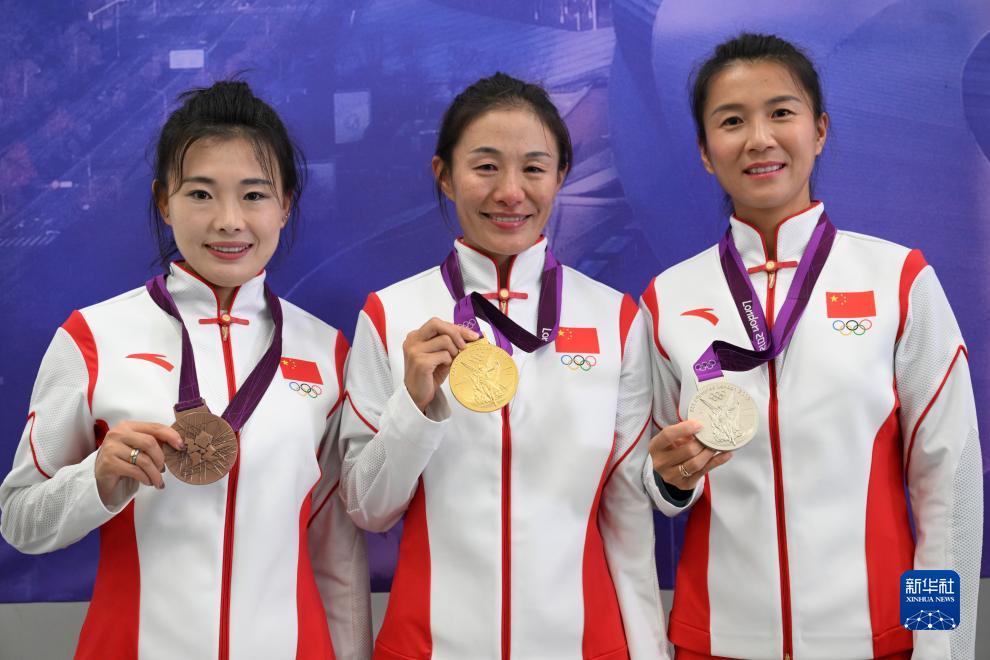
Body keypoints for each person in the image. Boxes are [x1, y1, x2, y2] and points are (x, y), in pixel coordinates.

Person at [0, 81, 371, 660]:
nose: (228, 221)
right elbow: (20, 520)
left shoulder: (328, 351)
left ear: (285, 204)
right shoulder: (93, 337)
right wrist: (95, 479)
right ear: (163, 201)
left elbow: (336, 550)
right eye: (200, 194)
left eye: (254, 195)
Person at [640, 33, 981, 660]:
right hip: (716, 643)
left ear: (818, 130)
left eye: (781, 112)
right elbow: (651, 484)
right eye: (732, 121)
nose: (759, 138)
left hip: (876, 641)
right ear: (705, 152)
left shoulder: (897, 280)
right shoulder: (667, 299)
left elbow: (948, 486)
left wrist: (939, 647)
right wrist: (672, 481)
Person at [340, 72, 669, 659]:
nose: (511, 192)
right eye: (486, 166)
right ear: (444, 175)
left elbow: (627, 517)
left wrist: (650, 651)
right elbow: (368, 509)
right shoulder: (391, 315)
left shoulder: (616, 319)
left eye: (534, 168)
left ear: (561, 176)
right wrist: (414, 408)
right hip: (428, 647)